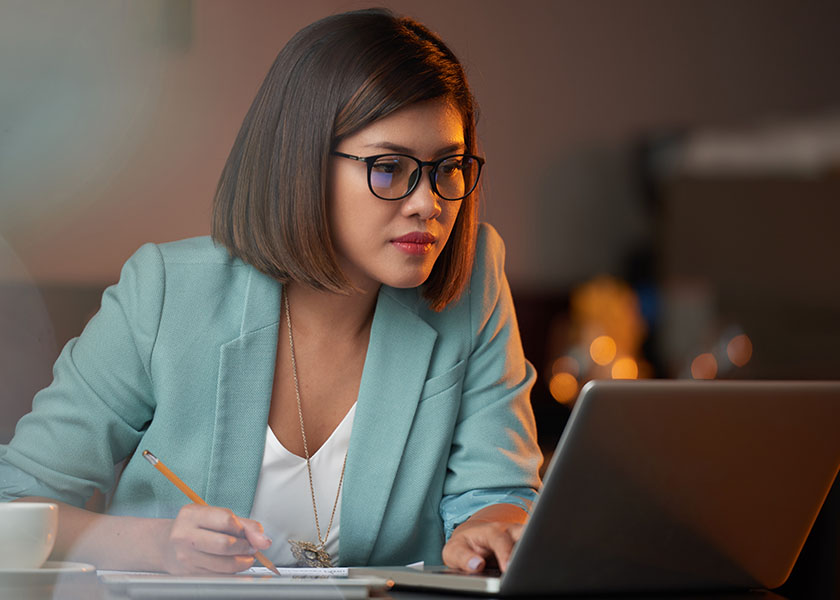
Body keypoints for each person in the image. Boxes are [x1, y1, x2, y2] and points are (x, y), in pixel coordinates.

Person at [0, 8, 541, 574]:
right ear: (301, 163)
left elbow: (496, 493)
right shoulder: (165, 293)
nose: (429, 202)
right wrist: (158, 546)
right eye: (388, 167)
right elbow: (16, 504)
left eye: (448, 167)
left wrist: (485, 535)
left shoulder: (474, 280)